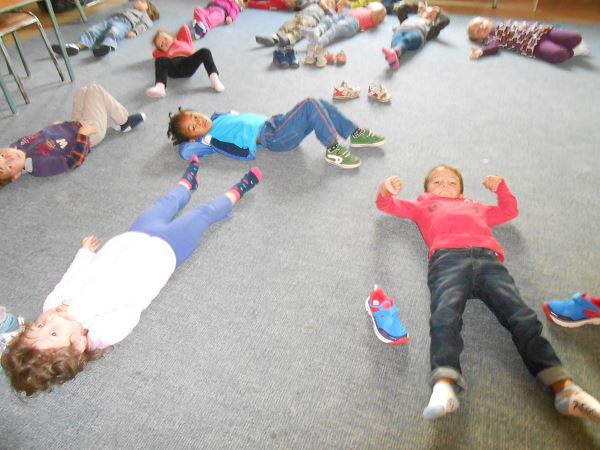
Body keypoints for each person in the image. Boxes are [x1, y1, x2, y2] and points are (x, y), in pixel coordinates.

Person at [0, 157, 262, 396]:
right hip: (164, 253)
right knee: (203, 214)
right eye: (53, 332)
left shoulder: (51, 306)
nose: (48, 320)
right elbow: (130, 304)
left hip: (130, 239)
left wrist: (84, 254)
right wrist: (82, 315)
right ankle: (239, 190)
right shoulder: (102, 332)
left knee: (165, 203)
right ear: (77, 344)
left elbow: (71, 277)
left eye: (39, 326)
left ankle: (187, 183)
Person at [375, 164, 600, 422]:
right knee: (444, 317)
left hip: (489, 262)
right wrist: (386, 190)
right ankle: (444, 384)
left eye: (451, 182)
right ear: (426, 190)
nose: (444, 184)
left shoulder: (476, 206)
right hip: (448, 261)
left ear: (461, 191)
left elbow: (508, 211)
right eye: (436, 182)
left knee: (523, 317)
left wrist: (501, 188)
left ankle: (565, 389)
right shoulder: (422, 205)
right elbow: (386, 205)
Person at [167, 97, 386, 169]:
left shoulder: (217, 118)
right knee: (310, 104)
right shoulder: (211, 139)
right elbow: (187, 151)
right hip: (273, 137)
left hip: (275, 123)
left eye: (194, 116)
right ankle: (333, 148)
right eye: (193, 126)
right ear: (194, 137)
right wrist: (203, 140)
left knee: (319, 104)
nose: (198, 121)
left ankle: (354, 133)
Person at [0, 84, 145, 186]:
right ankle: (123, 121)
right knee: (94, 90)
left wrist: (56, 127)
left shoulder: (17, 147)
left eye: (2, 156)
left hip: (72, 124)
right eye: (9, 166)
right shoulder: (39, 165)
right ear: (16, 175)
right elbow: (72, 162)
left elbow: (42, 137)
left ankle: (110, 119)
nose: (10, 157)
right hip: (87, 134)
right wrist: (83, 135)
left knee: (82, 92)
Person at [51, 0, 159, 58]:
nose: (139, 1)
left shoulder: (144, 15)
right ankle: (77, 46)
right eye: (139, 0)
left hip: (125, 23)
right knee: (93, 30)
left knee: (114, 32)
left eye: (142, 2)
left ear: (148, 9)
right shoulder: (129, 9)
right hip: (110, 20)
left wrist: (135, 31)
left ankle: (106, 46)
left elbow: (146, 24)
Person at [146, 25, 224, 98]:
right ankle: (160, 87)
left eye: (165, 39)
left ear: (172, 36)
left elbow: (184, 28)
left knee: (205, 51)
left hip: (188, 63)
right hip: (174, 68)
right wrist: (162, 50)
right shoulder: (165, 52)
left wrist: (175, 39)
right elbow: (155, 54)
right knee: (159, 60)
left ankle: (214, 79)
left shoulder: (183, 41)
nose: (164, 43)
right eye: (161, 45)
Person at [468, 17, 588, 63]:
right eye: (478, 31)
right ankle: (572, 52)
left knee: (576, 36)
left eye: (481, 23)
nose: (482, 27)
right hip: (535, 45)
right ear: (480, 39)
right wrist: (481, 51)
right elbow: (493, 47)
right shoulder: (491, 38)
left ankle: (568, 43)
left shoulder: (503, 22)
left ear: (488, 20)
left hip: (543, 31)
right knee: (557, 54)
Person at [301, 1, 386, 67]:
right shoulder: (364, 8)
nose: (371, 4)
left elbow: (378, 14)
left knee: (337, 27)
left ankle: (320, 41)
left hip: (354, 24)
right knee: (329, 19)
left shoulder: (374, 17)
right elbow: (350, 5)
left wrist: (381, 9)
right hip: (345, 16)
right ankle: (317, 30)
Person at [382, 1, 448, 71]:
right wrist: (417, 6)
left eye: (435, 12)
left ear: (437, 19)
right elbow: (401, 8)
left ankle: (395, 51)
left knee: (407, 39)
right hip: (401, 29)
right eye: (431, 9)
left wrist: (438, 11)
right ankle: (394, 57)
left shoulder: (432, 26)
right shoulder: (417, 16)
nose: (431, 11)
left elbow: (446, 19)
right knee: (395, 41)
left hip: (417, 33)